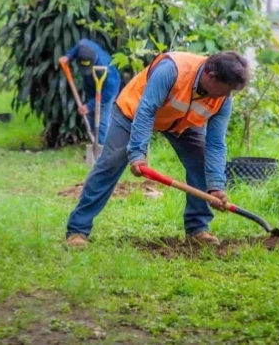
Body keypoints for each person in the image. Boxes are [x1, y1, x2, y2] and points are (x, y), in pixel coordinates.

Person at [65, 50, 251, 247]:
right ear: (211, 76)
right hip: (134, 111)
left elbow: (216, 143)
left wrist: (216, 186)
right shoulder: (173, 70)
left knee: (202, 162)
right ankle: (78, 230)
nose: (227, 96)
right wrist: (137, 154)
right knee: (110, 163)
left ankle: (198, 229)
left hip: (180, 122)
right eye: (226, 90)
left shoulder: (223, 99)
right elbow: (146, 110)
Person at [59, 39, 120, 145]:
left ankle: (103, 151)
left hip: (106, 92)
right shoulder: (84, 47)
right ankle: (95, 144)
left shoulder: (106, 71)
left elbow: (108, 93)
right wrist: (68, 56)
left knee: (101, 122)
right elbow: (80, 45)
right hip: (91, 86)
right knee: (92, 118)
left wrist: (89, 106)